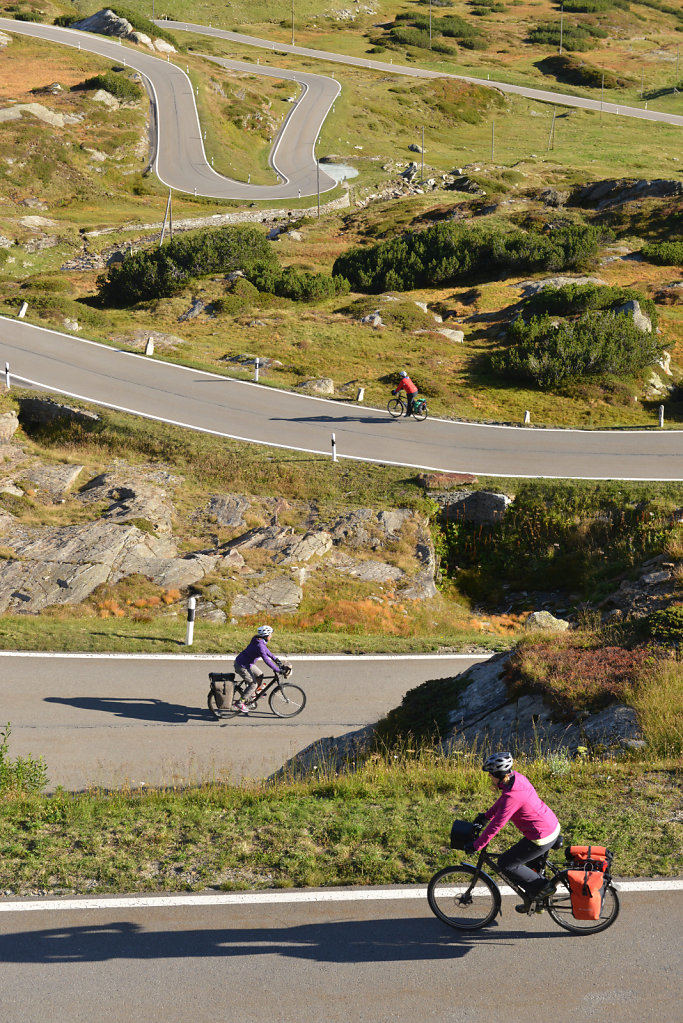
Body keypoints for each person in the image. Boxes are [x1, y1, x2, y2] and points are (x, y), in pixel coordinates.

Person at [469, 752, 560, 909]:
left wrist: (477, 845)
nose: (489, 776)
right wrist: (485, 816)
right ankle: (535, 901)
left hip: (540, 836)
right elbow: (502, 802)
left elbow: (497, 825)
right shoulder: (516, 779)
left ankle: (544, 888)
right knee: (526, 865)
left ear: (499, 774)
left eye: (491, 773)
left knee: (506, 863)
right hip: (550, 825)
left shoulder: (513, 796)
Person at [233, 625, 287, 714]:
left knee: (260, 675)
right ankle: (240, 702)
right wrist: (277, 670)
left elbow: (267, 651)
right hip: (242, 665)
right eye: (270, 634)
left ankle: (253, 694)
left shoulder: (259, 640)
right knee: (253, 684)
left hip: (247, 663)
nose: (271, 636)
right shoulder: (259, 645)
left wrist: (276, 660)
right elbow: (266, 659)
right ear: (266, 635)